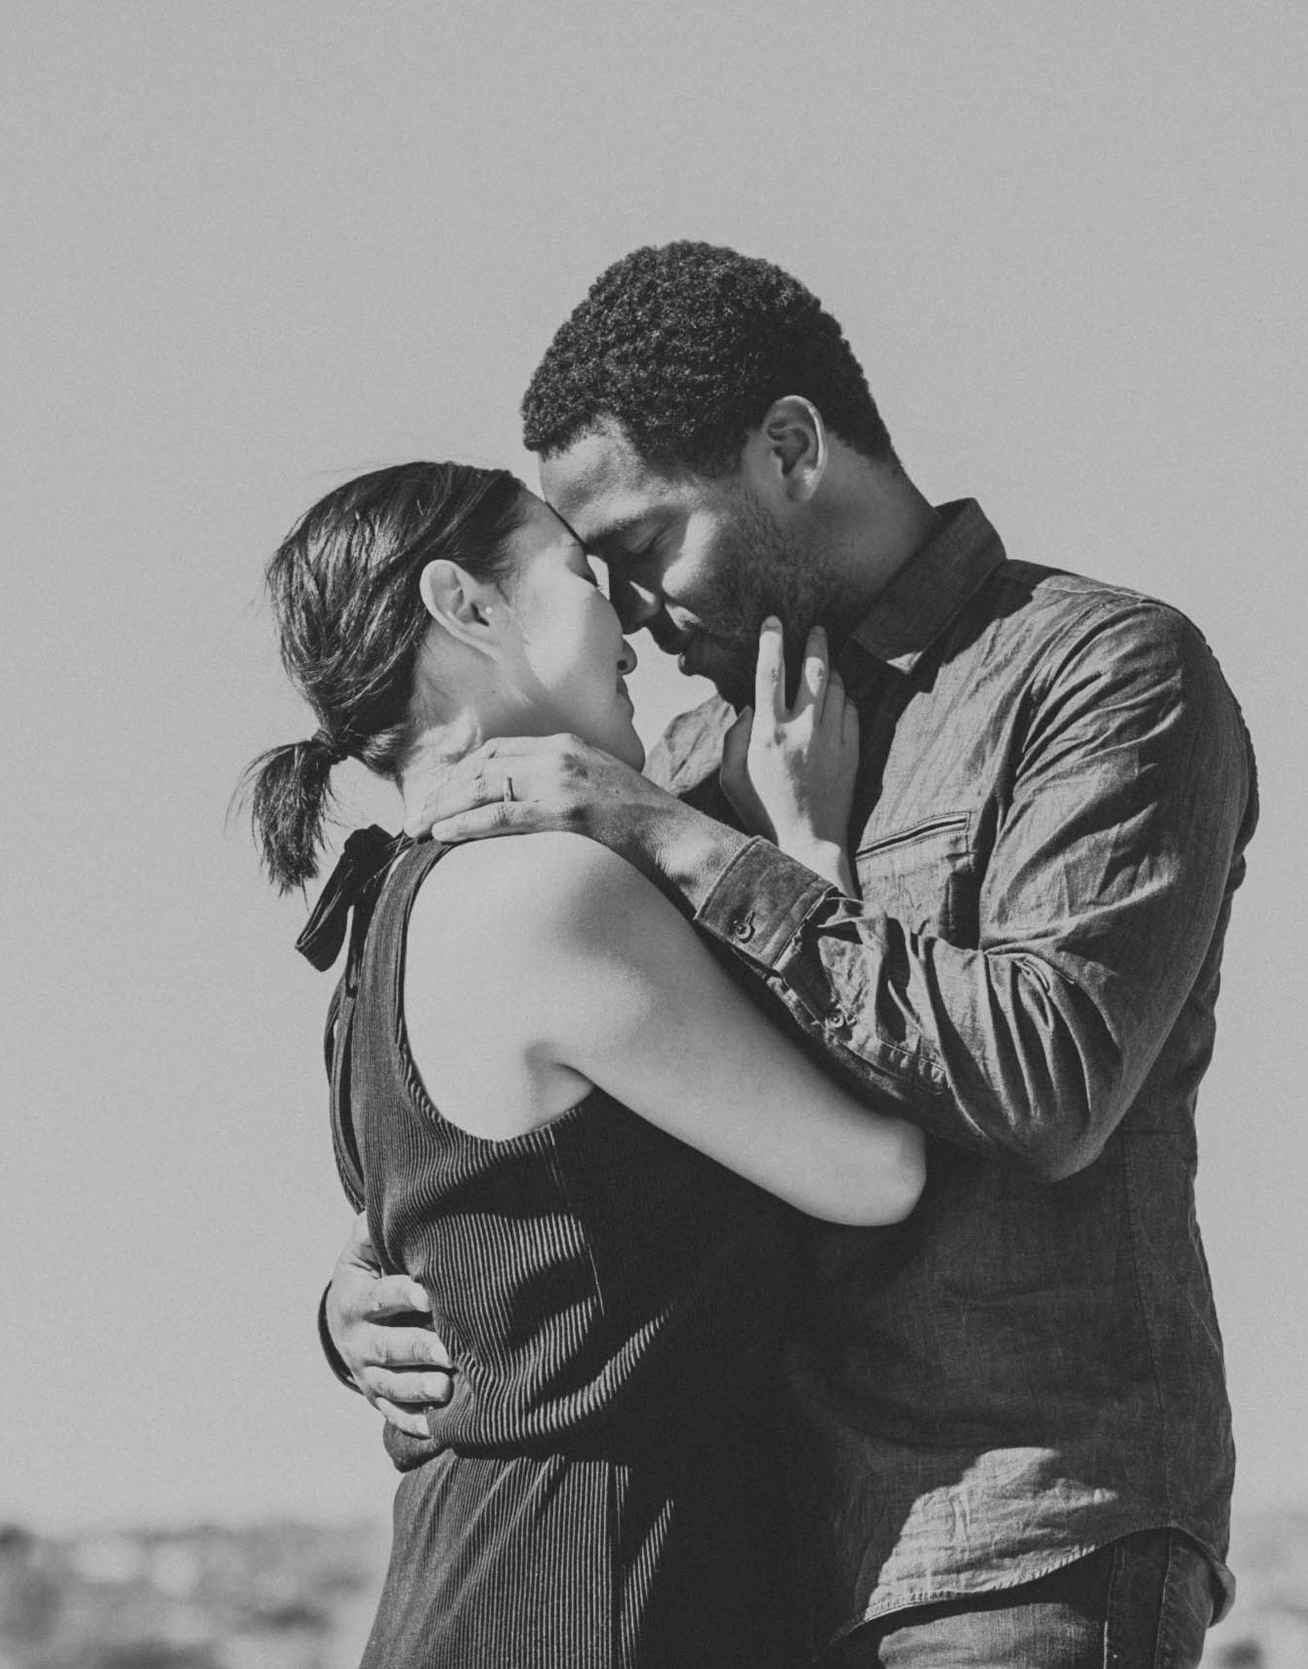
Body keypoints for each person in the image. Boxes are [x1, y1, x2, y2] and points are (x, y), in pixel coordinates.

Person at [328, 243, 1259, 1667]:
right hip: (733, 1582)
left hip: (1010, 1552)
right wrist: (359, 1307)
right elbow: (571, 1137)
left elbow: (1051, 1077)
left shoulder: (1097, 676)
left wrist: (696, 851)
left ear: (791, 447)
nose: (630, 617)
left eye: (643, 549)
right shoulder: (687, 767)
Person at [245, 460, 926, 1668]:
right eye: (576, 569)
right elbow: (874, 1170)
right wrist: (810, 847)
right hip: (604, 1590)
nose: (628, 614)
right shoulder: (547, 892)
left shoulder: (383, 930)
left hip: (478, 1585)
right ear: (466, 606)